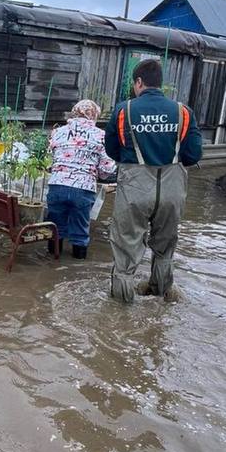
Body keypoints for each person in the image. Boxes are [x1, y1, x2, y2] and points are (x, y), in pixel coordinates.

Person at [103, 58, 202, 302]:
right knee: (165, 245)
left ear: (139, 82)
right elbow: (193, 155)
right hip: (172, 189)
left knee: (125, 248)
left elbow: (111, 149)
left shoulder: (124, 110)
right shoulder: (183, 112)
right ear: (160, 83)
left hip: (134, 187)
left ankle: (121, 312)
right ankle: (160, 295)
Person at [46, 99, 117, 260]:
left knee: (55, 229)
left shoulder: (58, 132)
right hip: (83, 189)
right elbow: (107, 168)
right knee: (80, 232)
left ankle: (51, 263)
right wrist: (98, 175)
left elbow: (50, 159)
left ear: (74, 112)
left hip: (57, 185)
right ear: (94, 115)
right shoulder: (101, 135)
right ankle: (77, 266)